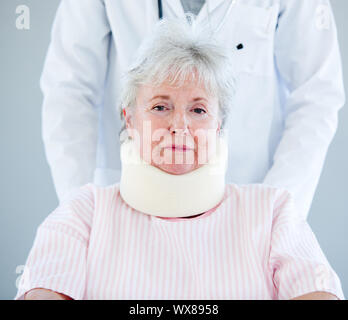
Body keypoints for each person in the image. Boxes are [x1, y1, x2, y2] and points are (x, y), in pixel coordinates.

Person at [16, 19, 344, 300]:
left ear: (219, 125)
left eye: (198, 110)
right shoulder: (83, 213)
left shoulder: (273, 212)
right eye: (161, 107)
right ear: (129, 119)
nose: (180, 126)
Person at [40, 0, 345, 220]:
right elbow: (69, 90)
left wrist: (278, 212)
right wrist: (78, 210)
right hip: (127, 202)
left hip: (250, 194)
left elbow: (317, 93)